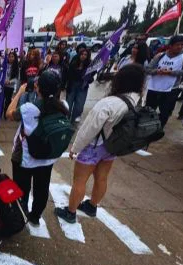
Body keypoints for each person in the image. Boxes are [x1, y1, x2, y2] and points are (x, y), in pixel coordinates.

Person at [56, 64, 148, 224]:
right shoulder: (137, 100)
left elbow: (89, 128)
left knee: (80, 180)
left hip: (94, 146)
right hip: (112, 146)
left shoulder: (109, 103)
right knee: (102, 178)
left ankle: (70, 212)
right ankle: (92, 206)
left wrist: (75, 147)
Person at [6, 70, 66, 230]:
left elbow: (9, 113)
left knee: (21, 189)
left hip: (26, 158)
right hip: (47, 157)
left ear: (38, 88)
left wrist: (19, 92)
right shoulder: (63, 106)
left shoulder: (29, 108)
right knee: (42, 188)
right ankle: (35, 217)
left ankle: (20, 214)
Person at [145, 35, 183, 128]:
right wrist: (157, 71)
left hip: (171, 89)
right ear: (170, 45)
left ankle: (159, 129)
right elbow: (148, 69)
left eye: (182, 45)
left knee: (165, 112)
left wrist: (171, 73)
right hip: (154, 88)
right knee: (149, 110)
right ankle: (146, 128)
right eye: (177, 44)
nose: (180, 47)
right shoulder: (160, 55)